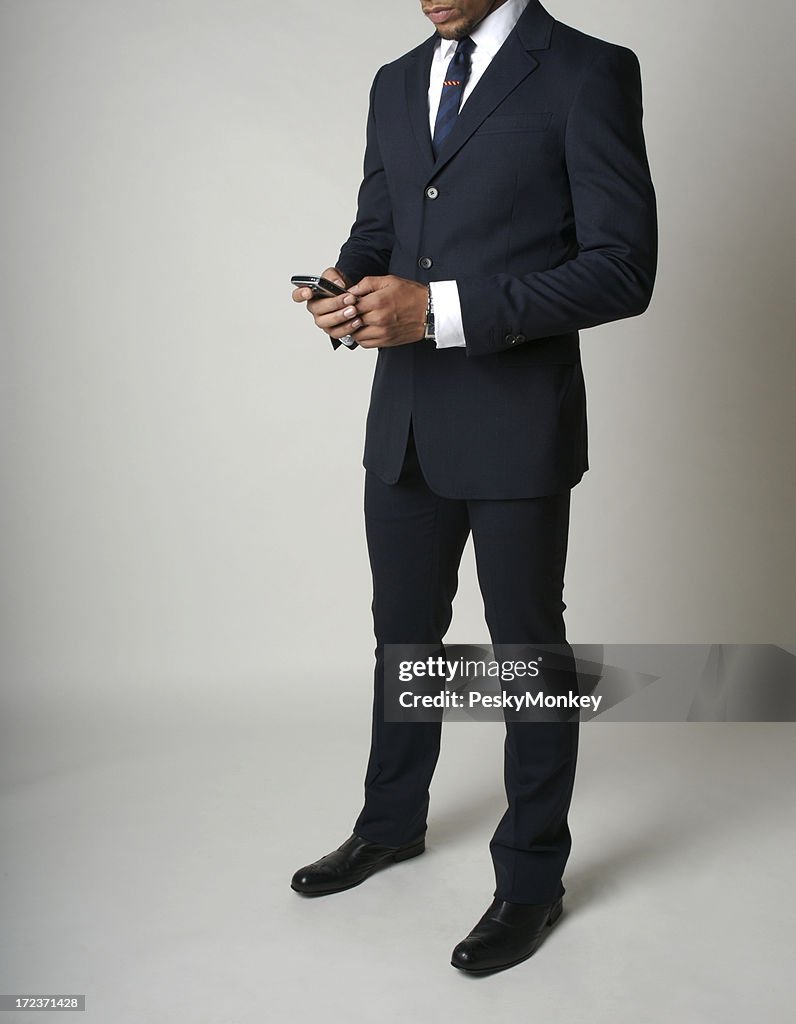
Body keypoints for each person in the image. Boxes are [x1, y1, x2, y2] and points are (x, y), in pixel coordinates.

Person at [290, 0, 657, 974]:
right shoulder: (395, 79)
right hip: (404, 420)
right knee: (402, 634)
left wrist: (439, 310)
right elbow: (382, 226)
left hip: (515, 423)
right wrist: (345, 284)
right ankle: (389, 823)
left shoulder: (587, 71)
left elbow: (623, 269)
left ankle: (532, 878)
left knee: (527, 651)